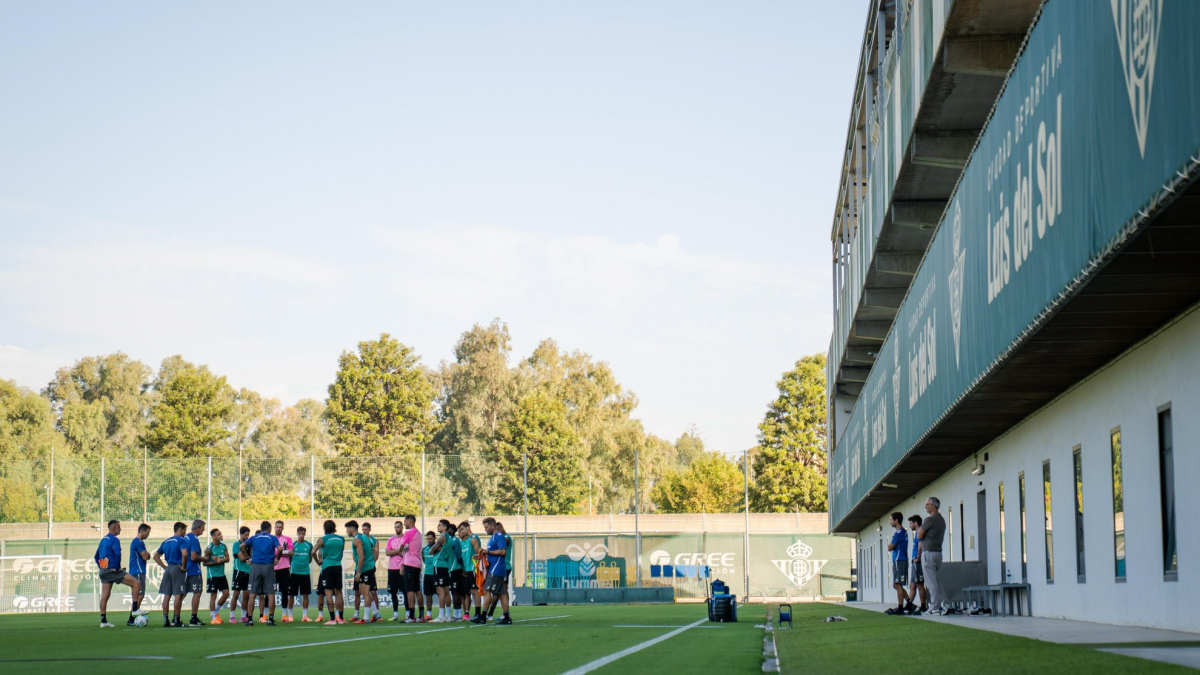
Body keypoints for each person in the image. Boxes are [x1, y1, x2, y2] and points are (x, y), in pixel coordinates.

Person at [93, 519, 146, 628]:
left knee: (105, 595)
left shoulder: (103, 540)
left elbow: (96, 556)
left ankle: (103, 621)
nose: (120, 529)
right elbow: (117, 554)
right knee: (136, 583)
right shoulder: (114, 539)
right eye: (119, 527)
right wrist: (117, 568)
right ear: (114, 528)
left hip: (104, 571)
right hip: (112, 570)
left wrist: (102, 567)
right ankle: (135, 609)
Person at [474, 517, 511, 625]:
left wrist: (488, 552)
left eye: (486, 527)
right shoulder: (493, 537)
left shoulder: (499, 536)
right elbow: (491, 553)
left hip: (496, 568)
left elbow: (503, 551)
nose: (485, 529)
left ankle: (483, 616)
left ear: (492, 526)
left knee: (487, 590)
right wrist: (481, 555)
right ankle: (507, 617)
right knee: (501, 593)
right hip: (495, 568)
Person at [153, 521, 188, 627]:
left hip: (168, 568)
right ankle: (176, 620)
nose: (185, 533)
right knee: (178, 595)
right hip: (177, 568)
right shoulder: (182, 540)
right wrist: (183, 567)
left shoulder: (166, 541)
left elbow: (155, 556)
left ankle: (166, 620)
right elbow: (185, 554)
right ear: (180, 529)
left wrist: (165, 567)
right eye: (184, 530)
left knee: (167, 595)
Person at [247, 520, 281, 626]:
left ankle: (250, 620)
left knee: (252, 594)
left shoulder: (254, 537)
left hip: (255, 566)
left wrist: (248, 558)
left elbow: (241, 546)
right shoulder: (272, 538)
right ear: (270, 528)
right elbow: (280, 548)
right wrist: (277, 558)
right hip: (268, 566)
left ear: (261, 528)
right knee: (271, 594)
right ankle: (270, 619)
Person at [313, 518, 346, 625]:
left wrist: (318, 562)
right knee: (339, 593)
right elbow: (341, 553)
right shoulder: (341, 539)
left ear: (325, 528)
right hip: (337, 566)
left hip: (327, 567)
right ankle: (341, 618)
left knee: (328, 594)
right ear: (334, 528)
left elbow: (313, 551)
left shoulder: (323, 539)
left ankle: (332, 619)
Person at [918, 497, 948, 615]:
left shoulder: (929, 519)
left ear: (934, 506)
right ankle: (945, 604)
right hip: (938, 553)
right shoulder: (942, 520)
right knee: (936, 581)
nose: (925, 506)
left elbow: (919, 535)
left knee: (931, 582)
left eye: (927, 504)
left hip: (928, 553)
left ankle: (934, 607)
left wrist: (921, 531)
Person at [347, 520, 380, 624]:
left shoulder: (357, 540)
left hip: (365, 568)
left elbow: (361, 557)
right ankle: (376, 613)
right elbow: (373, 552)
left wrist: (358, 572)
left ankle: (366, 618)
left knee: (365, 593)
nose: (346, 531)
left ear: (352, 529)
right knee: (365, 592)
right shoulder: (365, 537)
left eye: (347, 529)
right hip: (369, 567)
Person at [398, 515, 423, 623]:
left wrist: (401, 550)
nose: (404, 524)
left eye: (405, 521)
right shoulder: (418, 533)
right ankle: (421, 616)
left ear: (409, 521)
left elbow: (401, 547)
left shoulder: (409, 532)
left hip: (410, 564)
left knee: (410, 590)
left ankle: (411, 616)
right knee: (417, 589)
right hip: (417, 564)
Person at [202, 528, 230, 624]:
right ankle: (214, 617)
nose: (221, 535)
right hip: (212, 575)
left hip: (222, 575)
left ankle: (216, 611)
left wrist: (221, 560)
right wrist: (214, 562)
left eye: (220, 534)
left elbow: (228, 558)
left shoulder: (223, 546)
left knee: (226, 594)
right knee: (213, 596)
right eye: (218, 534)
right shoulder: (209, 549)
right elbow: (204, 563)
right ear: (213, 537)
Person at [182, 519, 207, 626]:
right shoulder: (194, 539)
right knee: (197, 592)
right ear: (198, 527)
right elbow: (193, 557)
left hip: (184, 569)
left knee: (182, 593)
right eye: (203, 528)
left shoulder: (185, 537)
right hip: (194, 570)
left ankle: (175, 617)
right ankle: (193, 618)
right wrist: (204, 558)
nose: (203, 530)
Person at [885, 512, 909, 615]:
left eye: (891, 520)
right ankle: (909, 602)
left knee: (897, 584)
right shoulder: (902, 532)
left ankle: (900, 608)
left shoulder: (899, 533)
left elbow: (890, 547)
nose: (890, 522)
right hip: (898, 561)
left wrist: (890, 545)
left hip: (900, 560)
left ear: (896, 520)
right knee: (896, 584)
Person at [288, 526, 314, 622]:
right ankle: (290, 616)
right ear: (297, 534)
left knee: (305, 595)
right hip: (294, 573)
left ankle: (305, 616)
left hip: (305, 573)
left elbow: (310, 559)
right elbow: (289, 558)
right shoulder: (293, 545)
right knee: (291, 595)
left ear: (305, 534)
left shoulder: (309, 545)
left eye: (303, 534)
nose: (301, 535)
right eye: (300, 534)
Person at [458, 521, 482, 621]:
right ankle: (467, 613)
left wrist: (478, 566)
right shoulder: (462, 542)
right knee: (466, 593)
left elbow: (479, 554)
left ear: (468, 527)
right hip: (465, 570)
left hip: (473, 569)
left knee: (474, 591)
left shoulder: (473, 539)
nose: (461, 531)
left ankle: (478, 613)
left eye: (462, 529)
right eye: (459, 530)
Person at [229, 526, 252, 624]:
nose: (247, 537)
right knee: (236, 594)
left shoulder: (249, 545)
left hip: (248, 572)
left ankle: (243, 616)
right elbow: (242, 558)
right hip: (239, 572)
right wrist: (249, 557)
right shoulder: (236, 544)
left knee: (246, 595)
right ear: (241, 534)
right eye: (245, 535)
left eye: (248, 535)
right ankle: (232, 616)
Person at [385, 520, 406, 621]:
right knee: (393, 592)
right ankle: (395, 614)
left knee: (405, 592)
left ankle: (408, 613)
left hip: (402, 568)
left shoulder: (405, 539)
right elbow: (387, 553)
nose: (397, 529)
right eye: (395, 527)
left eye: (398, 527)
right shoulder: (391, 539)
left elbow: (406, 553)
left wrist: (394, 551)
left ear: (402, 527)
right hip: (392, 569)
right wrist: (398, 551)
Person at [273, 520, 294, 622]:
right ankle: (265, 615)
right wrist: (282, 552)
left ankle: (284, 615)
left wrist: (279, 552)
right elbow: (271, 553)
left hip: (285, 568)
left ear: (283, 528)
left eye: (280, 527)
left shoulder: (287, 539)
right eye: (277, 527)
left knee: (284, 592)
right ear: (274, 527)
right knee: (270, 592)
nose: (278, 528)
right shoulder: (271, 539)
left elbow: (291, 552)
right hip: (273, 569)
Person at [907, 515, 927, 614]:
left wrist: (918, 558)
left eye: (911, 523)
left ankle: (923, 606)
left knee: (919, 584)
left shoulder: (919, 532)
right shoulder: (916, 533)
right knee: (912, 585)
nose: (910, 526)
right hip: (914, 561)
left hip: (917, 561)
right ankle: (909, 605)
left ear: (915, 523)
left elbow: (920, 546)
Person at [129, 523, 151, 613]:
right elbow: (145, 556)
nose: (148, 535)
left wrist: (147, 554)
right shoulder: (138, 542)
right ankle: (133, 615)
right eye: (147, 532)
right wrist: (147, 554)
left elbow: (146, 555)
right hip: (138, 570)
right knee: (139, 595)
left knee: (138, 595)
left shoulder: (138, 542)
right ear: (142, 531)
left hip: (137, 570)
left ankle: (134, 615)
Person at [421, 531, 436, 622]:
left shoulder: (438, 548)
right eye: (428, 539)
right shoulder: (424, 549)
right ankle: (429, 614)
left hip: (436, 574)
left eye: (431, 539)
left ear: (434, 538)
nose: (429, 540)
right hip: (427, 574)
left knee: (441, 594)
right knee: (428, 596)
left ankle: (443, 613)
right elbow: (424, 560)